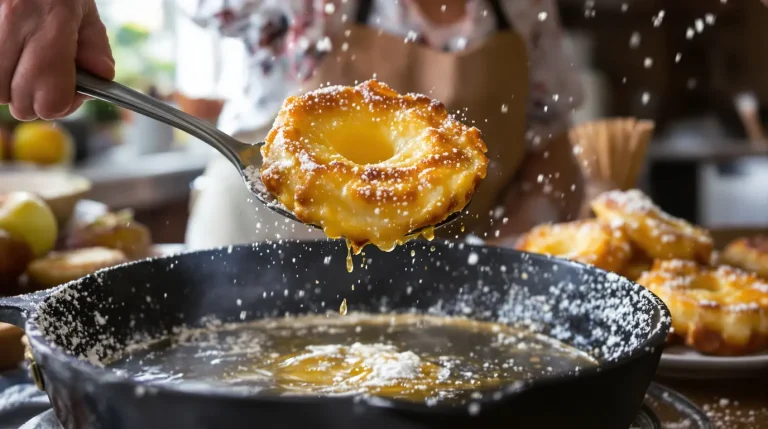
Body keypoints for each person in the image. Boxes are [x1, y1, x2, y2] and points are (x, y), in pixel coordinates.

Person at [0, 0, 586, 249]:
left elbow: (551, 135)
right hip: (255, 252)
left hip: (439, 279)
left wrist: (524, 232)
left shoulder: (523, 6)